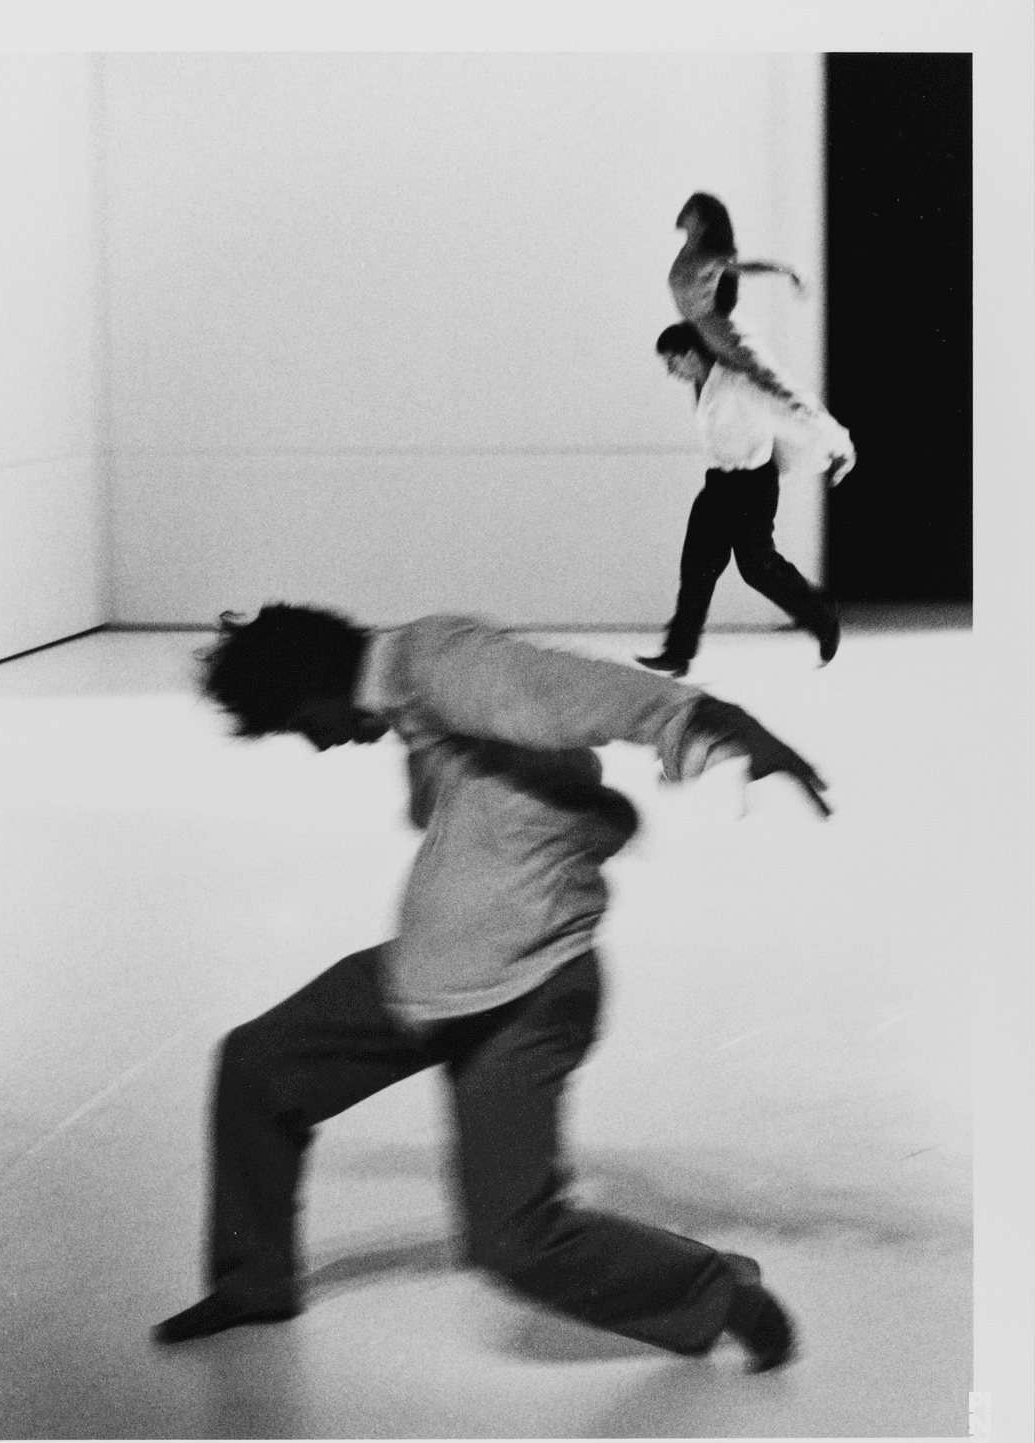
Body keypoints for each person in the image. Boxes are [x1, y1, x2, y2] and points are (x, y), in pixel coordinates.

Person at [153, 605, 832, 1371]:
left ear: (314, 684)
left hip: (528, 991)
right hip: (435, 974)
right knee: (258, 1065)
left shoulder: (439, 662)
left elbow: (565, 689)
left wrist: (715, 720)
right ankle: (254, 1282)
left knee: (516, 1239)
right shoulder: (412, 695)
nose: (314, 741)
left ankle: (718, 1291)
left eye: (300, 721)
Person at [636, 321, 855, 678]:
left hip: (753, 485)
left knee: (757, 568)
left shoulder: (738, 384)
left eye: (672, 361)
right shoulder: (702, 384)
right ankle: (678, 652)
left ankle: (822, 616)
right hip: (719, 484)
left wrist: (838, 446)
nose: (670, 371)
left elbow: (791, 412)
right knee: (697, 568)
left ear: (691, 355)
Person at [669, 191, 818, 416]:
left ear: (702, 220)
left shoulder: (710, 256)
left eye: (692, 210)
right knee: (711, 405)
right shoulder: (687, 251)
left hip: (710, 327)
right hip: (694, 331)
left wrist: (789, 270)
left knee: (759, 376)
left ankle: (809, 417)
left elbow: (749, 267)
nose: (686, 213)